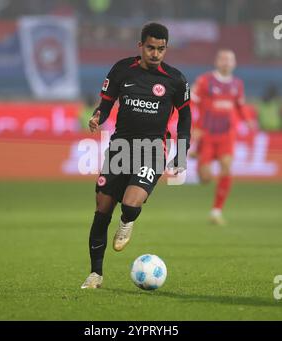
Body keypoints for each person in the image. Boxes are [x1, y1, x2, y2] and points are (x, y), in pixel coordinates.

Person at [81, 22, 191, 289]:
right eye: (151, 48)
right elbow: (106, 103)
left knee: (130, 204)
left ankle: (127, 220)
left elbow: (186, 117)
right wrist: (98, 116)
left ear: (166, 49)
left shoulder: (175, 79)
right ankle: (95, 274)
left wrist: (182, 155)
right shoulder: (121, 70)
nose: (155, 54)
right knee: (101, 210)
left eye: (161, 49)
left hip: (152, 149)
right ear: (140, 46)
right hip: (120, 147)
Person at [191, 49, 255, 225]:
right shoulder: (205, 80)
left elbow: (240, 106)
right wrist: (193, 127)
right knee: (205, 178)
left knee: (226, 168)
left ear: (234, 63)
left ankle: (216, 211)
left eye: (230, 60)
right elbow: (190, 102)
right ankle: (198, 154)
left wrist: (248, 120)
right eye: (223, 59)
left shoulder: (237, 84)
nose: (226, 62)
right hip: (207, 134)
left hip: (227, 135)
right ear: (217, 62)